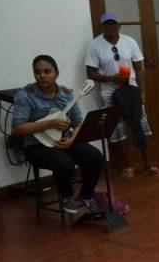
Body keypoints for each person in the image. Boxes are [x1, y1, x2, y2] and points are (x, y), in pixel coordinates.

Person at [13, 55, 102, 215]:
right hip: (36, 146)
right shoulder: (25, 95)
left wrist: (72, 139)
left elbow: (78, 124)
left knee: (95, 156)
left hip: (65, 140)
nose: (42, 75)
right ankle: (67, 196)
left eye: (47, 71)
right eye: (38, 72)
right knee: (65, 163)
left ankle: (86, 195)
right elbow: (18, 129)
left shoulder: (67, 94)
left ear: (57, 73)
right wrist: (49, 123)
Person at [85, 12, 159, 177]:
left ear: (119, 26)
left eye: (113, 24)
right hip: (109, 92)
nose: (110, 27)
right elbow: (90, 73)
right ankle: (127, 166)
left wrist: (142, 92)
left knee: (141, 125)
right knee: (117, 129)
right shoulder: (95, 45)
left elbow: (139, 68)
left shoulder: (130, 41)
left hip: (131, 90)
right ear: (102, 27)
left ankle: (147, 164)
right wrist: (110, 78)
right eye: (107, 24)